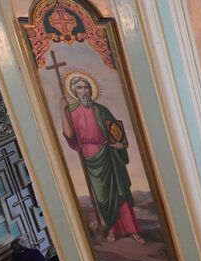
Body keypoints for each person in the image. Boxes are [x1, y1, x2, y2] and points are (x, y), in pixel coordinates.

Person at [60, 73, 144, 244]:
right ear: (74, 92)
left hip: (109, 154)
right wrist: (62, 110)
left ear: (91, 89)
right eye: (80, 88)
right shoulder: (72, 112)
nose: (84, 91)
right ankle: (112, 230)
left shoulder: (102, 110)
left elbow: (116, 132)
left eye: (86, 87)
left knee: (119, 194)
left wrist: (119, 145)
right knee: (103, 197)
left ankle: (133, 231)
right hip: (91, 158)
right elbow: (69, 135)